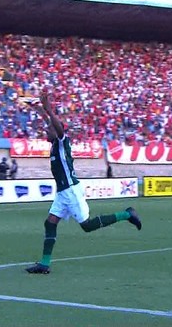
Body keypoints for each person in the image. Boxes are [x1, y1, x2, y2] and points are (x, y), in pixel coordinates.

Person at [25, 91, 142, 275]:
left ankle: (126, 214)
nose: (45, 131)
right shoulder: (55, 143)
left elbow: (58, 127)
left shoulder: (62, 142)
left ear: (56, 132)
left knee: (87, 225)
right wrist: (37, 108)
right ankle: (44, 264)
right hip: (63, 193)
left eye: (49, 130)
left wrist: (48, 108)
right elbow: (51, 124)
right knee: (50, 223)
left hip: (71, 191)